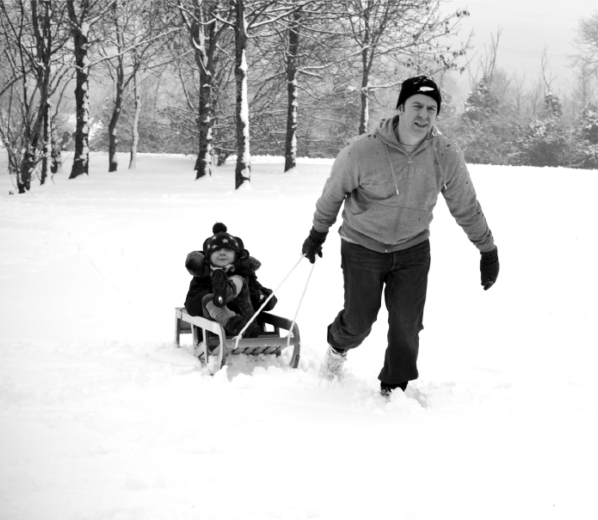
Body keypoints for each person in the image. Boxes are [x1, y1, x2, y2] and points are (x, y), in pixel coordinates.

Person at [301, 75, 499, 397]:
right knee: (359, 321)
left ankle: (394, 387)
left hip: (412, 248)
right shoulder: (362, 152)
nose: (423, 115)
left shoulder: (445, 154)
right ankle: (337, 347)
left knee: (407, 325)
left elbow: (465, 205)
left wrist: (487, 250)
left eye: (431, 109)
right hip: (362, 245)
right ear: (400, 107)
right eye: (417, 106)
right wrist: (317, 233)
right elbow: (332, 194)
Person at [184, 223, 276, 348]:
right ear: (208, 256)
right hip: (216, 331)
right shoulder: (202, 278)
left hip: (249, 326)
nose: (222, 253)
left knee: (239, 280)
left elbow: (271, 301)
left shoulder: (245, 274)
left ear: (236, 255)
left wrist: (258, 296)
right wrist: (211, 291)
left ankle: (227, 291)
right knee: (207, 299)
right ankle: (230, 313)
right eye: (217, 250)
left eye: (228, 250)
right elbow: (191, 307)